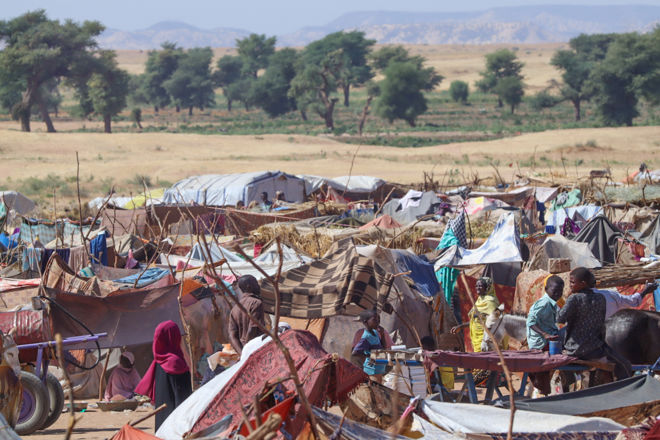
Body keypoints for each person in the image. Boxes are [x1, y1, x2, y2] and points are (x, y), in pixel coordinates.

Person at [557, 267, 631, 380]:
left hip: (574, 349)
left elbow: (560, 319)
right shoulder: (600, 298)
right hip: (595, 349)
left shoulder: (574, 298)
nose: (570, 285)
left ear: (582, 283)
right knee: (623, 362)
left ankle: (569, 381)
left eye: (572, 282)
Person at [135, 321, 192, 430]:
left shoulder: (159, 362)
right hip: (175, 423)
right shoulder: (175, 363)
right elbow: (183, 397)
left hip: (162, 421)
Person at [450, 277, 500, 353]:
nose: (477, 288)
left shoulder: (491, 302)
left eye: (480, 286)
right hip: (476, 339)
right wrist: (461, 326)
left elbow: (496, 322)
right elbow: (475, 320)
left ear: (487, 287)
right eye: (476, 286)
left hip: (485, 340)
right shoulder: (479, 301)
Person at [228, 275, 266, 355]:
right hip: (257, 349)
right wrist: (247, 351)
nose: (258, 286)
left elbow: (232, 336)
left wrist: (242, 354)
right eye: (256, 283)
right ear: (249, 287)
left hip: (244, 352)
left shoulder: (234, 309)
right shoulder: (256, 303)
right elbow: (252, 329)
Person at [352, 309, 391, 382]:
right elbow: (355, 353)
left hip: (378, 369)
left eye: (378, 319)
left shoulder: (375, 333)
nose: (378, 322)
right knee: (375, 390)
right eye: (374, 320)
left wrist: (382, 334)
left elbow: (383, 348)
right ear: (365, 322)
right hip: (372, 370)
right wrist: (370, 356)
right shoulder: (366, 337)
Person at [526, 275, 563, 350]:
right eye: (554, 291)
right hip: (541, 342)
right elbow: (530, 322)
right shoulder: (544, 303)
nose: (557, 294)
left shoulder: (552, 303)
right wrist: (545, 334)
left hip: (549, 336)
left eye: (560, 291)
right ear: (546, 289)